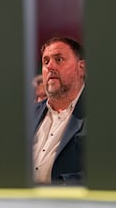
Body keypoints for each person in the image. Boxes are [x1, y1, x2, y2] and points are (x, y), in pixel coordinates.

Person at [33, 36, 85, 185]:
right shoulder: (28, 114)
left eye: (59, 59)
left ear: (81, 68)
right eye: (46, 61)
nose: (50, 66)